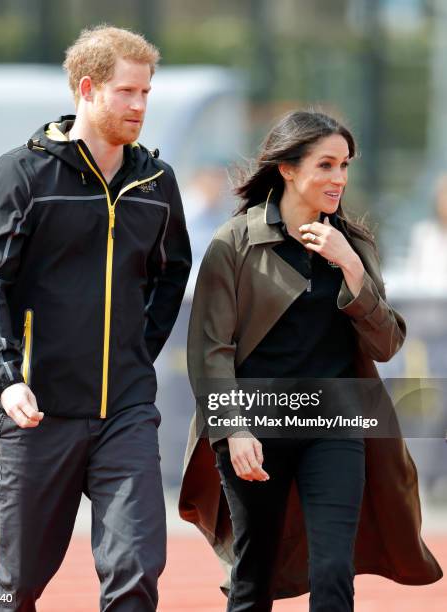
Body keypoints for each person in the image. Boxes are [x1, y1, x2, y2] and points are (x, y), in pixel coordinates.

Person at [0, 25, 191, 612]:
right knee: (17, 588)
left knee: (135, 569)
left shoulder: (156, 184)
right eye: (127, 92)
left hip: (127, 411)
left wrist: (138, 349)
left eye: (146, 93)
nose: (139, 106)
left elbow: (171, 274)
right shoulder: (24, 175)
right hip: (39, 412)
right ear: (88, 89)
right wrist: (6, 379)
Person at [179, 110, 442, 611]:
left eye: (344, 165)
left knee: (333, 568)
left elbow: (387, 343)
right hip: (254, 424)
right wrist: (233, 431)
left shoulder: (355, 244)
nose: (339, 178)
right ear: (288, 169)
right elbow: (211, 350)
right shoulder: (232, 242)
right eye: (325, 165)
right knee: (254, 572)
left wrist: (349, 267)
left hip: (336, 421)